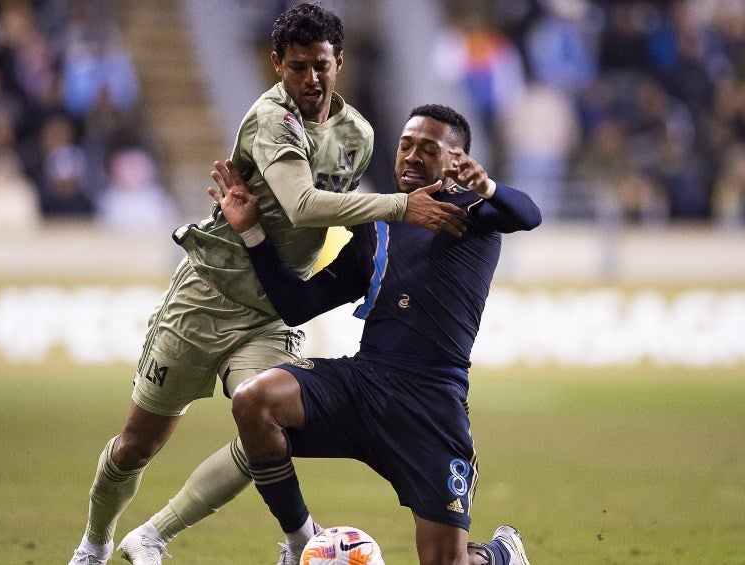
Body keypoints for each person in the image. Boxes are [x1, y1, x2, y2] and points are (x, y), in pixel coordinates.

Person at [67, 4, 467, 565]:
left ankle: (156, 535)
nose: (311, 79)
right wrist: (403, 207)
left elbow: (354, 218)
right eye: (297, 66)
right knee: (138, 445)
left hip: (271, 311)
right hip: (206, 296)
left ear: (339, 62)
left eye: (321, 66)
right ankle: (95, 542)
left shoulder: (359, 136)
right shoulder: (270, 119)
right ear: (276, 64)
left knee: (263, 419)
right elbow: (303, 206)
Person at [211, 104, 540, 564]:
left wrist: (484, 186)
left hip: (430, 402)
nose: (410, 156)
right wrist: (252, 235)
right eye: (406, 144)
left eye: (428, 149)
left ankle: (498, 554)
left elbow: (528, 214)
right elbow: (297, 305)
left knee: (447, 561)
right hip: (364, 383)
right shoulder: (378, 225)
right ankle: (302, 540)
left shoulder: (473, 214)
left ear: (457, 160)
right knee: (254, 400)